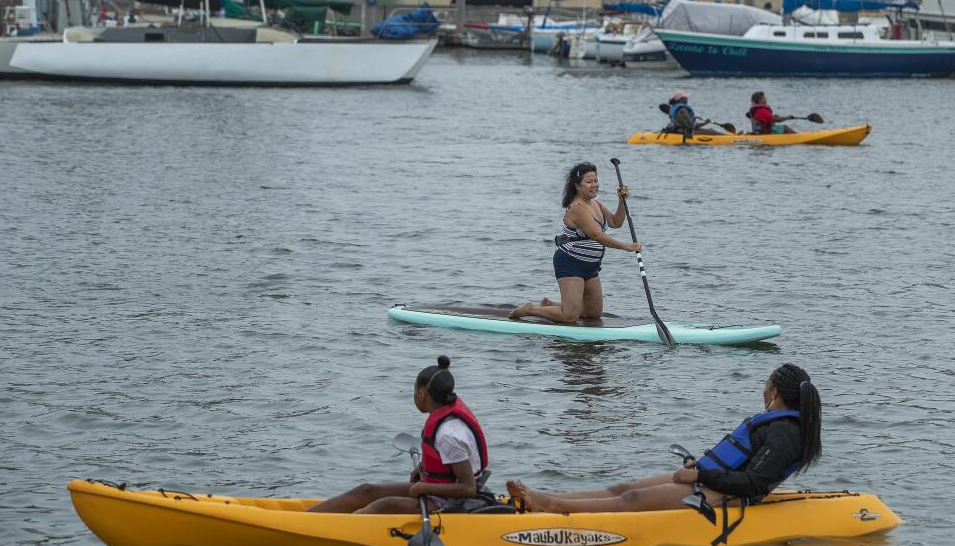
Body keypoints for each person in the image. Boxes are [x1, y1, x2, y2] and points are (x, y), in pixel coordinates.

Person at [506, 363, 821, 514]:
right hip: (712, 481)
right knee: (623, 488)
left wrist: (700, 474)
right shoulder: (778, 425)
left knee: (631, 501)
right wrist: (699, 467)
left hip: (729, 495)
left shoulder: (786, 433)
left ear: (775, 391)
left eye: (765, 382)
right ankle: (546, 495)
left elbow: (753, 483)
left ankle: (551, 506)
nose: (763, 387)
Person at [307, 356, 490, 514]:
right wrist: (422, 467)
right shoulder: (444, 416)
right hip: (439, 490)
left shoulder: (448, 435)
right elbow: (446, 464)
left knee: (383, 505)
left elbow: (468, 488)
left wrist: (423, 487)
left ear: (421, 394)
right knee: (366, 490)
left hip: (451, 502)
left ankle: (326, 529)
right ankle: (305, 518)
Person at [509, 162, 639, 324]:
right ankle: (530, 309)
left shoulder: (595, 204)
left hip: (591, 265)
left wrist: (621, 201)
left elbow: (615, 222)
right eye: (589, 182)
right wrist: (626, 246)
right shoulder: (578, 208)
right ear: (577, 186)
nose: (594, 185)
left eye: (596, 180)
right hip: (571, 263)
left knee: (593, 314)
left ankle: (549, 305)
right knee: (570, 317)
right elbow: (596, 235)